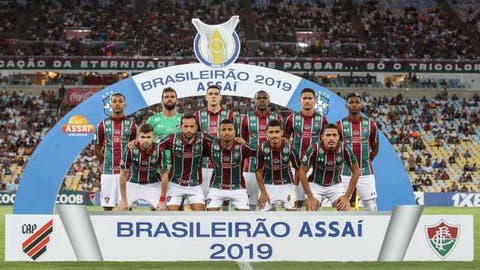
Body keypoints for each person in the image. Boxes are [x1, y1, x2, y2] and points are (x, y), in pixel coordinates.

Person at [297, 124, 360, 211]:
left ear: (338, 137)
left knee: (344, 208)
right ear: (322, 137)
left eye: (334, 135)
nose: (331, 138)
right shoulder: (314, 148)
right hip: (316, 184)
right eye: (328, 135)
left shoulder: (345, 149)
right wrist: (310, 197)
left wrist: (346, 196)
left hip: (335, 184)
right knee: (311, 208)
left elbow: (356, 171)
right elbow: (302, 171)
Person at [284, 88, 328, 208]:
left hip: (315, 166)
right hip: (296, 165)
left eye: (310, 98)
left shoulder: (322, 119)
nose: (307, 101)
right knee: (296, 202)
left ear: (314, 101)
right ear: (300, 101)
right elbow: (284, 142)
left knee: (313, 202)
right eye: (305, 98)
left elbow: (327, 142)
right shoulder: (291, 119)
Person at [194, 85, 236, 208]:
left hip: (225, 164)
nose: (213, 96)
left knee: (225, 199)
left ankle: (225, 225)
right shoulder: (198, 115)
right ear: (206, 97)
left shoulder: (230, 115)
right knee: (202, 199)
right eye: (210, 94)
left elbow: (236, 139)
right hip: (203, 164)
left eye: (216, 94)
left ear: (220, 97)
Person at [240, 90, 283, 210]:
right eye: (259, 98)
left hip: (273, 167)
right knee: (251, 204)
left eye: (265, 98)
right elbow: (243, 143)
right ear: (254, 101)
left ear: (269, 100)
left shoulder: (277, 118)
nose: (262, 100)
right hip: (251, 166)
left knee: (271, 203)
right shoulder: (246, 119)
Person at [337, 92, 379, 211]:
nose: (354, 104)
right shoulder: (339, 125)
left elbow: (375, 148)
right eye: (351, 102)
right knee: (343, 206)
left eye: (357, 102)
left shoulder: (370, 124)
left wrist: (366, 161)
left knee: (370, 205)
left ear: (361, 105)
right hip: (345, 171)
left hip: (365, 171)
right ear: (347, 105)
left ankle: (371, 229)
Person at [94, 93, 137, 211]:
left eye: (120, 101)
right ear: (110, 105)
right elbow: (97, 149)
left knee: (126, 207)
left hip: (126, 173)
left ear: (125, 104)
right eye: (115, 101)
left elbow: (135, 149)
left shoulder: (132, 126)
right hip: (108, 171)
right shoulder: (102, 125)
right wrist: (105, 162)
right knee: (107, 207)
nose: (117, 104)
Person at [158, 114, 208, 211]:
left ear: (196, 127)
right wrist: (136, 142)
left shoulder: (203, 138)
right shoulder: (171, 138)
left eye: (192, 126)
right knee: (172, 215)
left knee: (201, 216)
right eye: (185, 126)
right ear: (180, 127)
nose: (189, 129)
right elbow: (155, 146)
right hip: (174, 184)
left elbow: (219, 143)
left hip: (195, 185)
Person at [204, 119, 255, 211]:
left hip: (238, 188)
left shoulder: (242, 147)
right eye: (224, 130)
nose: (227, 132)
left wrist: (246, 143)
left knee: (245, 218)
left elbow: (261, 151)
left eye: (230, 129)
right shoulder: (211, 146)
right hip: (216, 187)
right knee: (210, 218)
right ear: (218, 132)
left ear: (235, 132)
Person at [118, 124, 166, 211]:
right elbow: (123, 174)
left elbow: (164, 175)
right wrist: (124, 200)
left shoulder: (159, 150)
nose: (145, 140)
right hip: (133, 183)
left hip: (153, 183)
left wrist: (162, 200)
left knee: (163, 209)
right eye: (142, 137)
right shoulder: (130, 149)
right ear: (138, 138)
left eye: (148, 137)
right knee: (122, 208)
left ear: (153, 137)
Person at [256, 119, 300, 211]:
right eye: (271, 132)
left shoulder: (290, 148)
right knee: (264, 216)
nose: (274, 135)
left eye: (277, 132)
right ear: (266, 133)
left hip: (287, 184)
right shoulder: (261, 148)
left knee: (293, 215)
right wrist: (263, 192)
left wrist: (294, 189)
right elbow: (258, 171)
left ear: (282, 132)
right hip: (268, 185)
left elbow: (298, 169)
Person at [146, 87, 182, 169]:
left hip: (178, 167)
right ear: (162, 101)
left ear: (177, 100)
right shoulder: (152, 119)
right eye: (166, 97)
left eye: (172, 97)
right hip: (157, 166)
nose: (169, 99)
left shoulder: (183, 120)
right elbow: (143, 140)